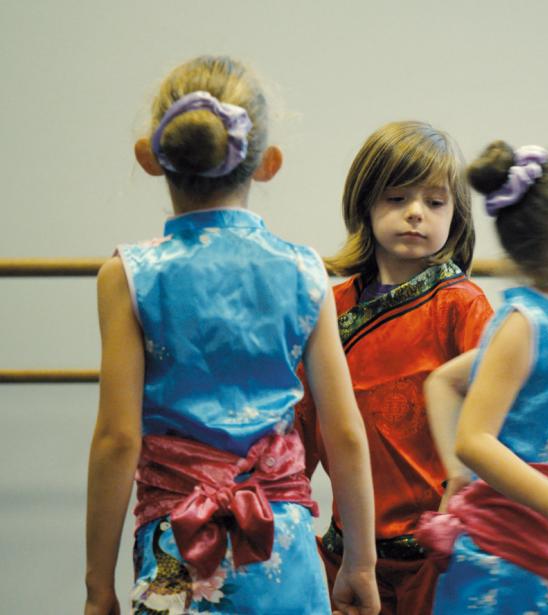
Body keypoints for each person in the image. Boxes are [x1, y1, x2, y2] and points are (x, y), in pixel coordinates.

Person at [83, 55, 379, 615]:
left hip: (177, 542)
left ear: (150, 157)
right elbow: (343, 432)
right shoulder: (304, 271)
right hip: (281, 544)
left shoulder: (127, 278)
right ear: (268, 164)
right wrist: (360, 563)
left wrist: (98, 586)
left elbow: (117, 440)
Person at [416, 141, 548, 614]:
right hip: (502, 559)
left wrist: (458, 479)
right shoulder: (523, 326)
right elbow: (474, 439)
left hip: (536, 551)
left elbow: (443, 381)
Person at [294, 121, 493, 614]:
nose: (415, 213)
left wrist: (462, 503)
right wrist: (283, 512)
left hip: (440, 551)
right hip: (347, 550)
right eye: (397, 197)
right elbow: (300, 425)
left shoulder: (462, 305)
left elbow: (496, 421)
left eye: (435, 202)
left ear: (456, 216)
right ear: (364, 203)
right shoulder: (329, 306)